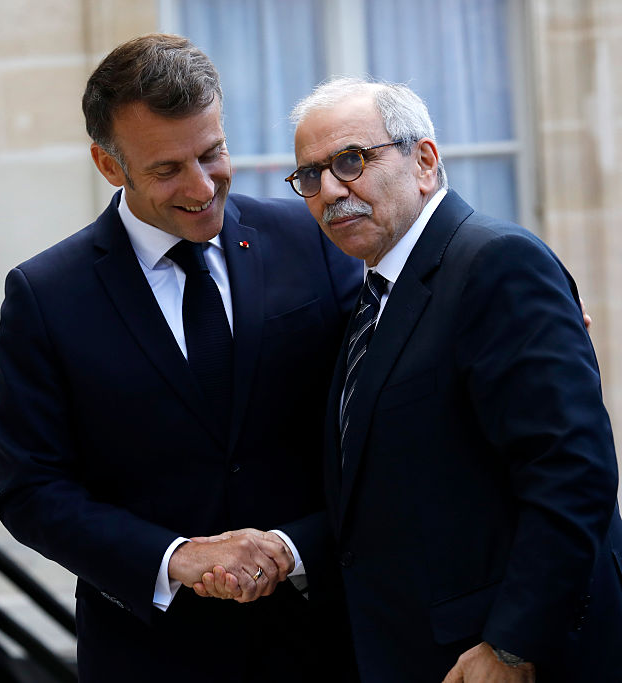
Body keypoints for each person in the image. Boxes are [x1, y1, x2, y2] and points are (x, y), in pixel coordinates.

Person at [197, 76, 622, 682]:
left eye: (351, 160)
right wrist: (285, 549)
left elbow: (573, 472)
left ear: (424, 160)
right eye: (310, 176)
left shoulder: (496, 263)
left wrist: (512, 644)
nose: (331, 191)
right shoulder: (374, 294)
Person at [0, 35, 360, 681]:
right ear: (110, 165)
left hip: (327, 639)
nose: (201, 186)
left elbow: (388, 383)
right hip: (151, 655)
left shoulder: (312, 238)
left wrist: (493, 327)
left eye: (212, 152)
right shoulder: (45, 295)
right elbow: (32, 490)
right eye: (167, 169)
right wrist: (175, 556)